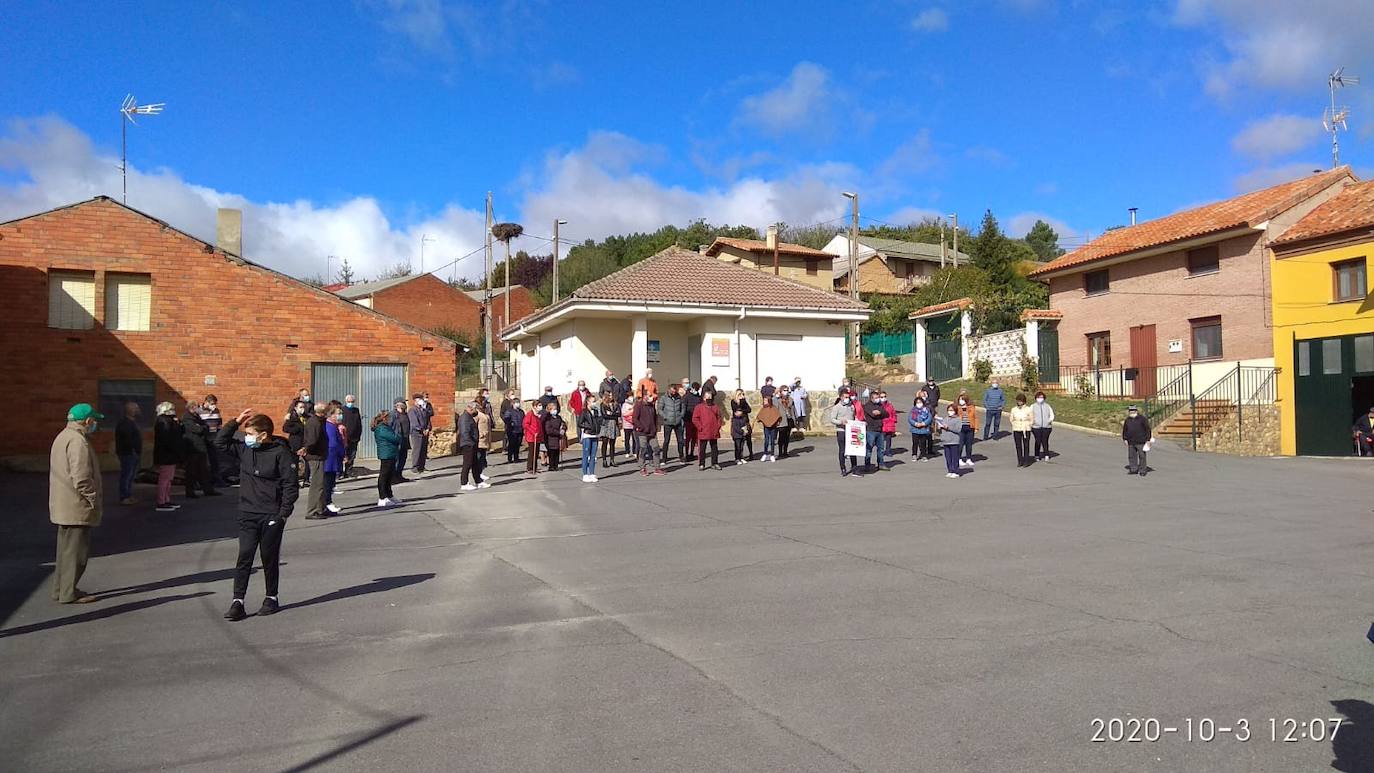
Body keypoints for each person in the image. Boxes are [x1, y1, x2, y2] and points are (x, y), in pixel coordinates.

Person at [217, 409, 299, 621]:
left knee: (268, 557)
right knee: (244, 555)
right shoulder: (245, 449)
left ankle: (271, 597)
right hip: (248, 512)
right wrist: (235, 422)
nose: (247, 438)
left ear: (263, 435)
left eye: (251, 433)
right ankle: (238, 601)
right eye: (246, 433)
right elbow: (219, 443)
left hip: (271, 513)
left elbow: (291, 485)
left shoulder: (281, 453)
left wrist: (283, 514)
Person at [49, 403, 104, 604]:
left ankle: (60, 589)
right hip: (76, 505)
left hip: (63, 504)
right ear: (87, 420)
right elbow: (81, 477)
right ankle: (68, 592)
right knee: (77, 554)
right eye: (94, 420)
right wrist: (93, 497)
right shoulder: (78, 441)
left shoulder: (62, 436)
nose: (95, 424)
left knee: (64, 552)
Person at [182, 401, 219, 499]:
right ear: (192, 407)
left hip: (200, 446)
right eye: (197, 407)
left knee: (204, 470)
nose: (199, 409)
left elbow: (205, 427)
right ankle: (190, 492)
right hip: (193, 447)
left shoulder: (196, 417)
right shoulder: (187, 418)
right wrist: (202, 427)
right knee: (191, 470)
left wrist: (202, 427)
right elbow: (198, 429)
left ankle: (208, 489)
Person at [152, 401, 184, 512]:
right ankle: (162, 501)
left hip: (168, 454)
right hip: (167, 455)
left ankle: (166, 499)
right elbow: (169, 439)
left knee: (168, 479)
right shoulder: (164, 422)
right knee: (165, 479)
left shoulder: (166, 421)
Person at [301, 404, 330, 520]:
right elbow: (312, 440)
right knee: (317, 485)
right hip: (315, 457)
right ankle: (312, 511)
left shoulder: (318, 421)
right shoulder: (315, 423)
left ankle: (321, 508)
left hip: (319, 455)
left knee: (321, 484)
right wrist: (308, 450)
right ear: (323, 412)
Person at [372, 411, 403, 507]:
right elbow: (395, 438)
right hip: (386, 454)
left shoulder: (386, 427)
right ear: (384, 418)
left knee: (389, 476)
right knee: (384, 475)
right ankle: (382, 497)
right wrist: (398, 437)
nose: (390, 420)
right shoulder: (382, 429)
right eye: (388, 418)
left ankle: (389, 495)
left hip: (391, 453)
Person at [115, 401, 142, 506]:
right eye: (135, 408)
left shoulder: (132, 422)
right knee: (126, 475)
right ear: (130, 410)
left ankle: (129, 495)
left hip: (133, 452)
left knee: (131, 476)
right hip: (127, 453)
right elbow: (127, 439)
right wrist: (133, 449)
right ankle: (124, 496)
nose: (138, 410)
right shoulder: (124, 423)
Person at [827, 393, 858, 477]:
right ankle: (843, 468)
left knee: (853, 449)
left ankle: (854, 467)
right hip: (841, 431)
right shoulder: (837, 407)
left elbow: (854, 416)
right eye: (846, 397)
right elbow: (832, 419)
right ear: (841, 398)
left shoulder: (851, 406)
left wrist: (858, 422)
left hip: (851, 430)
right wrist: (840, 422)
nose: (848, 399)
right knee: (842, 450)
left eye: (848, 397)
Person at [632, 388, 662, 475]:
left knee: (656, 448)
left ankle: (657, 468)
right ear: (644, 396)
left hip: (652, 432)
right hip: (642, 432)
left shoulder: (651, 405)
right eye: (649, 395)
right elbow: (634, 418)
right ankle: (642, 468)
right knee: (643, 449)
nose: (651, 397)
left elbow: (655, 417)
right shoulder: (639, 405)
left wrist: (656, 427)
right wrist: (641, 427)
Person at [692, 391, 723, 470]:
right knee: (702, 449)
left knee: (714, 448)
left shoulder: (715, 407)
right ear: (704, 398)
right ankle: (702, 464)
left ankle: (715, 463)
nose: (709, 399)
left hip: (713, 431)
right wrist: (700, 427)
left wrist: (718, 426)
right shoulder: (699, 407)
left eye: (710, 397)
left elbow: (719, 417)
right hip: (703, 431)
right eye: (707, 397)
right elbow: (695, 418)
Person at [657, 383, 687, 464]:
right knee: (666, 441)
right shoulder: (663, 398)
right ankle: (664, 458)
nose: (674, 393)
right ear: (669, 390)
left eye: (675, 391)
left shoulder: (679, 398)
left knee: (680, 441)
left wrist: (681, 415)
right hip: (668, 422)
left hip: (678, 421)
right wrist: (665, 416)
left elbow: (683, 407)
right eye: (672, 391)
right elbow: (660, 409)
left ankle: (681, 457)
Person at [458, 402, 485, 491]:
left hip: (472, 443)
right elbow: (465, 432)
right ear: (471, 408)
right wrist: (470, 443)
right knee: (467, 463)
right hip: (468, 444)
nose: (476, 412)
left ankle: (478, 481)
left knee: (475, 463)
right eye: (475, 410)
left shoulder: (469, 417)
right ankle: (464, 483)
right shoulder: (465, 418)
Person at [199, 395, 225, 486]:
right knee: (203, 460)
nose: (213, 405)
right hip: (204, 438)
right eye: (211, 404)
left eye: (214, 404)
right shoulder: (199, 411)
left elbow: (219, 423)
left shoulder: (216, 411)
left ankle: (216, 479)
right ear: (206, 402)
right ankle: (203, 480)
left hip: (213, 437)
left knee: (215, 459)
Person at [578, 392, 603, 483]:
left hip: (595, 435)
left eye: (595, 401)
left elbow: (599, 420)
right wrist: (588, 427)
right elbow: (579, 423)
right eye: (593, 401)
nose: (594, 403)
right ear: (588, 402)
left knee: (593, 455)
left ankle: (592, 473)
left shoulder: (596, 411)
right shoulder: (584, 412)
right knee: (586, 455)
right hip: (587, 435)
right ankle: (585, 474)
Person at [1123, 405, 1153, 477]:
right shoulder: (1127, 420)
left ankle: (1143, 470)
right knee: (1131, 456)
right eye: (1130, 411)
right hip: (1131, 441)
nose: (1132, 412)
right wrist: (1125, 438)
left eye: (1133, 410)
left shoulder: (1142, 419)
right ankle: (1134, 469)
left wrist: (1148, 440)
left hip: (1141, 441)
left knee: (1142, 456)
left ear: (1136, 411)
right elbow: (1125, 430)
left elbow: (1147, 429)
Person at [283, 400, 307, 486]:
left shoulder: (306, 417)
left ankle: (306, 479)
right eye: (300, 407)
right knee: (294, 462)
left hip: (304, 442)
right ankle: (294, 480)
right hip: (295, 442)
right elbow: (285, 429)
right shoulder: (292, 418)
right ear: (296, 408)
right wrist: (297, 429)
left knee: (307, 461)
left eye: (303, 407)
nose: (302, 409)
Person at [861, 391, 886, 473]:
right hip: (870, 430)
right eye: (875, 398)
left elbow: (885, 413)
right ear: (871, 398)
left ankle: (881, 464)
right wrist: (878, 413)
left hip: (879, 429)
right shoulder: (867, 406)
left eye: (878, 397)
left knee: (881, 448)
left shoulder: (880, 405)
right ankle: (867, 465)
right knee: (869, 449)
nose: (877, 399)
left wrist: (880, 412)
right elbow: (873, 414)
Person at [936, 405, 963, 479]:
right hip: (946, 440)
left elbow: (958, 429)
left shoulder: (958, 419)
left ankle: (956, 471)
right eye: (949, 410)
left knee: (955, 457)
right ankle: (950, 470)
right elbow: (941, 429)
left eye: (951, 410)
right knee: (948, 457)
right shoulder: (945, 419)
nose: (950, 412)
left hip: (954, 441)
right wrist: (940, 427)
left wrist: (948, 427)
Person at [407, 393, 431, 475]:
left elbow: (428, 420)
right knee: (417, 450)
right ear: (415, 401)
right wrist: (421, 429)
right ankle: (415, 467)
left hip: (425, 433)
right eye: (419, 399)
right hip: (416, 433)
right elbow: (414, 423)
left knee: (423, 450)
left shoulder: (423, 410)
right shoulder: (412, 410)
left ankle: (421, 466)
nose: (421, 401)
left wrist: (428, 428)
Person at [389, 397, 411, 483]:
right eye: (403, 403)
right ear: (397, 405)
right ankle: (393, 477)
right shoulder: (393, 415)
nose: (405, 405)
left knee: (403, 458)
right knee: (396, 459)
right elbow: (390, 427)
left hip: (405, 439)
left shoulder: (405, 414)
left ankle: (399, 475)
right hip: (397, 439)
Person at [340, 394, 362, 478]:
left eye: (352, 401)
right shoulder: (343, 410)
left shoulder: (356, 410)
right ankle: (340, 472)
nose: (350, 403)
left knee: (352, 455)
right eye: (349, 401)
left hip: (354, 438)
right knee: (343, 455)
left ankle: (348, 471)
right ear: (346, 401)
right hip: (344, 437)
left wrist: (359, 435)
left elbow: (359, 424)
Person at [1010, 393, 1034, 468]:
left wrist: (1028, 424)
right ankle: (1020, 460)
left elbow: (1032, 419)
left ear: (1024, 401)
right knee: (1018, 445)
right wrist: (1014, 424)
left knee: (1026, 445)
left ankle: (1026, 461)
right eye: (1018, 401)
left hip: (1025, 429)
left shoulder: (1028, 409)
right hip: (1016, 428)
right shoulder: (1014, 409)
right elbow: (1011, 418)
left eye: (1021, 401)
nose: (1019, 402)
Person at [730, 390, 753, 464]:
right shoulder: (733, 401)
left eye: (742, 394)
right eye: (740, 394)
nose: (741, 395)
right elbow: (736, 410)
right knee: (738, 441)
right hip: (737, 421)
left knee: (745, 439)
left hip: (744, 420)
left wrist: (742, 407)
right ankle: (737, 457)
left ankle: (744, 456)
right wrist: (741, 407)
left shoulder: (744, 401)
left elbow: (749, 410)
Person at [1031, 391, 1055, 462]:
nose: (1040, 399)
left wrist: (1049, 421)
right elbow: (1030, 415)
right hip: (1036, 427)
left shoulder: (1047, 406)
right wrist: (1033, 422)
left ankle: (1046, 454)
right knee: (1038, 441)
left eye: (1041, 397)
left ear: (1044, 398)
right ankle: (1037, 455)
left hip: (1046, 427)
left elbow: (1052, 415)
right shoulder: (1033, 406)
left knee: (1045, 441)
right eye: (1038, 397)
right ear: (1036, 398)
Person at [757, 396, 782, 463]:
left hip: (773, 427)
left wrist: (777, 422)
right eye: (764, 400)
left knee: (772, 441)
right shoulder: (763, 408)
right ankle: (765, 454)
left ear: (769, 401)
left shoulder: (773, 408)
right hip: (766, 427)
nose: (764, 402)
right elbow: (760, 416)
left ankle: (772, 455)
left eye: (766, 400)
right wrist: (761, 420)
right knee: (766, 441)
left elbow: (778, 416)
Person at [543, 401, 567, 471]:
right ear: (550, 410)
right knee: (551, 453)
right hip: (551, 438)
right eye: (553, 409)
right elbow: (548, 430)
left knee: (557, 452)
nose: (555, 410)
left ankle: (556, 465)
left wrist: (563, 429)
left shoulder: (558, 417)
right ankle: (551, 466)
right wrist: (558, 432)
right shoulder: (548, 418)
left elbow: (564, 424)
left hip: (558, 438)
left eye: (555, 409)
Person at [955, 392, 977, 469]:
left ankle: (968, 458)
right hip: (961, 429)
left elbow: (975, 418)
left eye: (963, 400)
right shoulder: (957, 408)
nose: (961, 401)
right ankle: (959, 458)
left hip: (970, 428)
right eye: (960, 399)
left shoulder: (971, 407)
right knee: (960, 444)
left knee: (969, 444)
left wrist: (976, 427)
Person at [523, 400, 545, 475]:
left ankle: (534, 467)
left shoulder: (538, 415)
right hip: (531, 437)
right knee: (532, 453)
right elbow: (526, 424)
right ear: (534, 406)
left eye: (540, 405)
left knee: (536, 453)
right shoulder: (530, 414)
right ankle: (529, 468)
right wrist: (533, 432)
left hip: (537, 437)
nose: (540, 407)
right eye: (539, 405)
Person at [683, 382, 703, 461]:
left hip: (697, 420)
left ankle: (692, 453)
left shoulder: (699, 397)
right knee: (688, 438)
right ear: (692, 388)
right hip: (688, 419)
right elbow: (683, 406)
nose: (696, 390)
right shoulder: (686, 396)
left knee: (695, 438)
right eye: (695, 389)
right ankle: (686, 454)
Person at [474, 397, 492, 484]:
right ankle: (478, 474)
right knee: (479, 457)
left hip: (485, 439)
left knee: (483, 457)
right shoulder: (477, 414)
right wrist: (479, 435)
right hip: (480, 439)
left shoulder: (484, 412)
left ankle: (481, 472)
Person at [909, 396, 932, 461]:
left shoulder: (926, 410)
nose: (919, 404)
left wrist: (923, 423)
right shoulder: (913, 410)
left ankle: (923, 455)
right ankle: (914, 455)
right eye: (917, 402)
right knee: (915, 443)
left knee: (923, 443)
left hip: (923, 429)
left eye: (920, 402)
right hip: (915, 429)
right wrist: (915, 423)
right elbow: (910, 419)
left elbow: (929, 418)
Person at [776, 385, 796, 459]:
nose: (786, 392)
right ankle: (780, 452)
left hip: (789, 419)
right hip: (781, 420)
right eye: (784, 390)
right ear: (781, 391)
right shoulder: (778, 400)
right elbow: (775, 410)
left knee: (787, 437)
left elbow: (793, 410)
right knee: (781, 436)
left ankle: (785, 451)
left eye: (787, 390)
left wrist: (794, 419)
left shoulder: (791, 399)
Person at [880, 390, 898, 461]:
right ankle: (881, 451)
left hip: (890, 424)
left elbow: (893, 413)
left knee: (889, 439)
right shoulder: (878, 405)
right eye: (882, 397)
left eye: (884, 396)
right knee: (881, 440)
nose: (883, 398)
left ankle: (888, 450)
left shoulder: (890, 405)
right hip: (882, 424)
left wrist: (894, 420)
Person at [620, 394, 638, 460]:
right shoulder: (624, 405)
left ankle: (634, 451)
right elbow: (624, 414)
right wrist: (631, 412)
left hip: (634, 424)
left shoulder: (635, 404)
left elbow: (636, 413)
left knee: (634, 439)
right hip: (626, 424)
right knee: (627, 439)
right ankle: (627, 451)